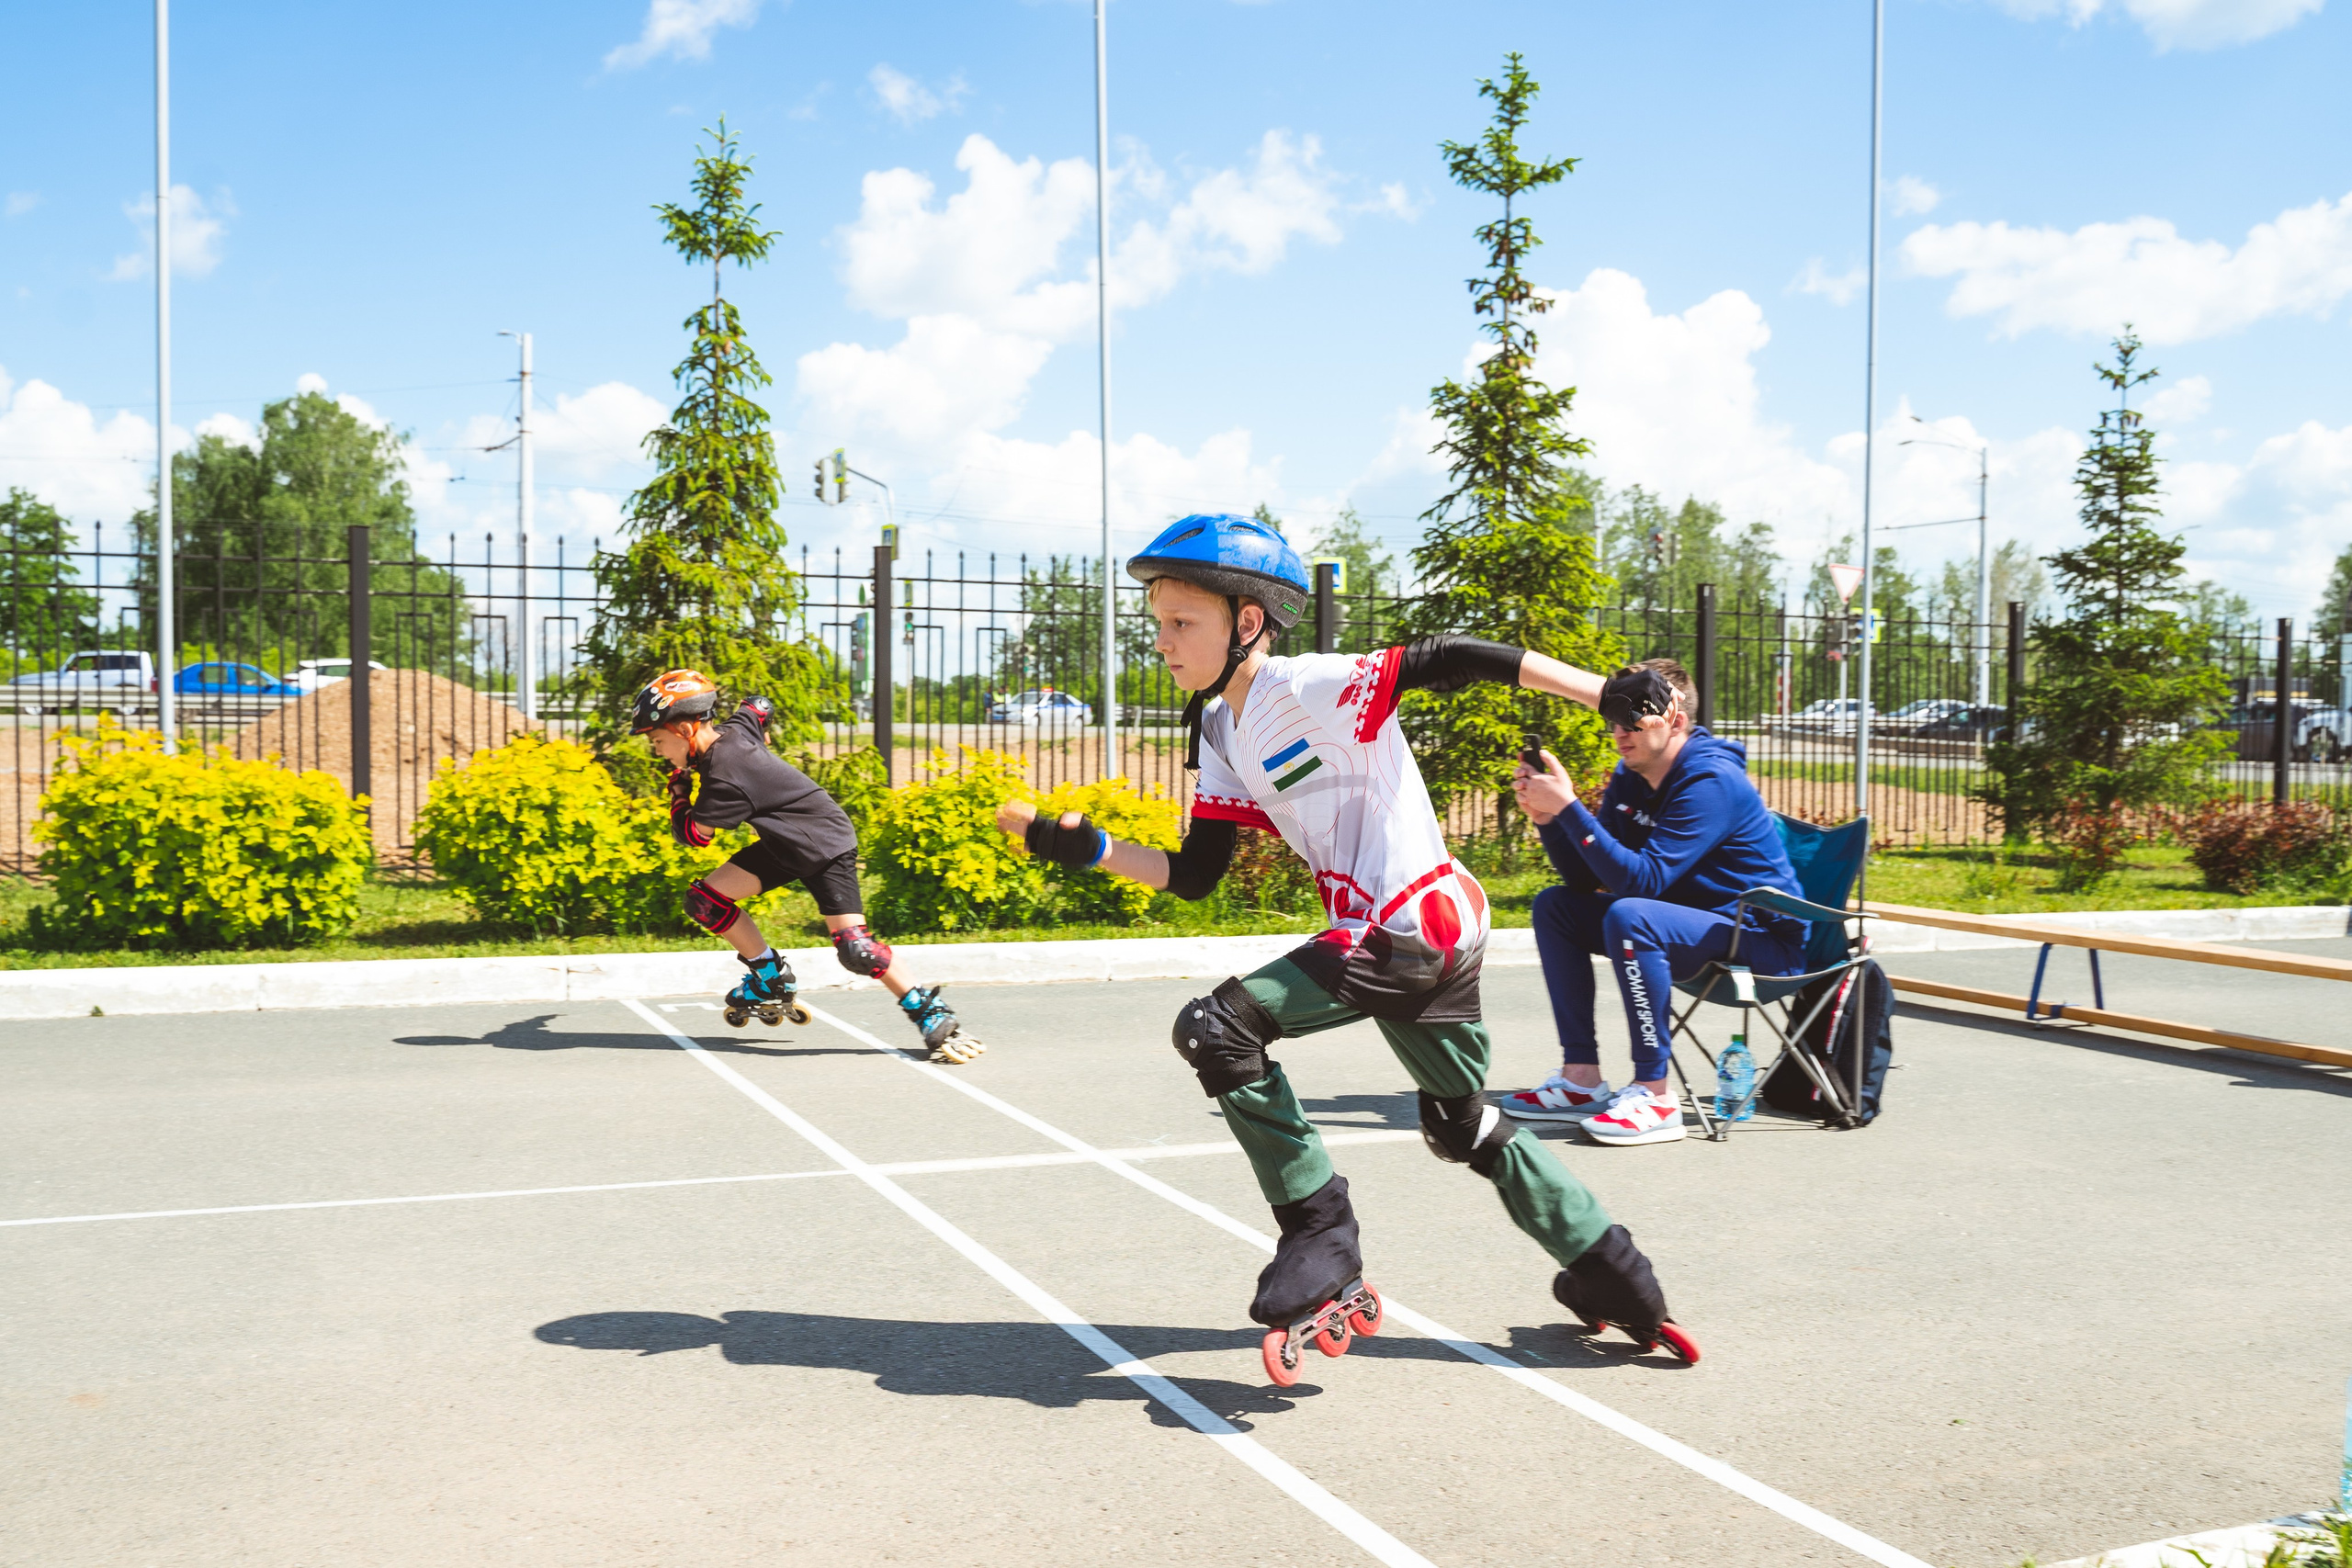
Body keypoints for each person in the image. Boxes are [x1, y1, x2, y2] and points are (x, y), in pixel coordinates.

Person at [992, 514, 1695, 1369]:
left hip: (1410, 922)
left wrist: (1602, 690)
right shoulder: (1218, 727)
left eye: (1183, 623)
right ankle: (1615, 1273)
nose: (1165, 642)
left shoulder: (1309, 684)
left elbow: (1449, 655)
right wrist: (1092, 849)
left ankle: (1320, 1234)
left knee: (1218, 1028)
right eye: (1158, 622)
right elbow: (1196, 873)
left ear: (1246, 621)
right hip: (1409, 935)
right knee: (1461, 1124)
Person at [1498, 659, 1805, 1145]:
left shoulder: (1711, 780)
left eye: (1633, 719)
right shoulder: (1632, 775)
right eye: (1613, 719)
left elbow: (1642, 884)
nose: (1619, 731)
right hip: (1693, 924)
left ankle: (1655, 1094)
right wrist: (1549, 819)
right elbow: (1585, 879)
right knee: (1556, 907)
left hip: (1766, 941)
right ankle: (1581, 1079)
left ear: (1675, 719)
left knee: (1631, 915)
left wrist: (1571, 808)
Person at [631, 669, 982, 1065]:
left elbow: (694, 835)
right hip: (787, 843)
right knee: (705, 903)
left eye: (658, 741)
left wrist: (679, 791)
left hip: (827, 844)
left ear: (684, 730)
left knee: (856, 949)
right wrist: (760, 737)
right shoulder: (733, 730)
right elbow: (757, 705)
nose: (657, 751)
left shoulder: (726, 775)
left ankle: (932, 1013)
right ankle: (768, 978)